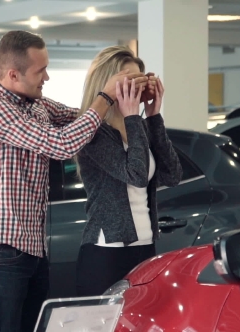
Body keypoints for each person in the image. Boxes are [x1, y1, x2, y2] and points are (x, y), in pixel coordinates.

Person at [0, 31, 149, 332]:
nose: (47, 77)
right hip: (0, 250)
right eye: (41, 71)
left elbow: (81, 119)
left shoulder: (36, 105)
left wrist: (130, 97)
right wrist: (104, 96)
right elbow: (63, 144)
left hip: (32, 249)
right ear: (13, 74)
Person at [74, 46, 183, 296]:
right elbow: (136, 175)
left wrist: (153, 115)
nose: (135, 86)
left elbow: (172, 175)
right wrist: (133, 117)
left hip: (145, 246)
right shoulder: (94, 133)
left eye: (139, 79)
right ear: (107, 83)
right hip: (107, 251)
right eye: (128, 80)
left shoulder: (138, 128)